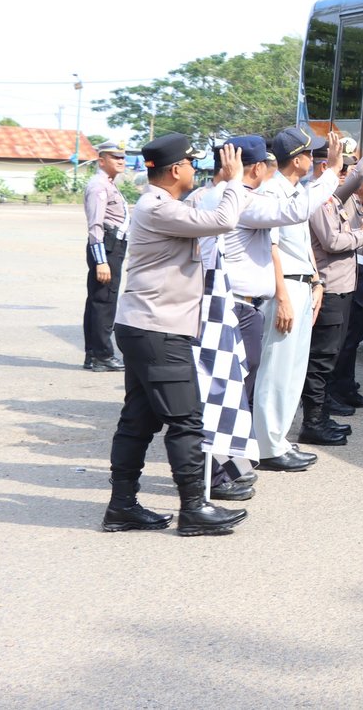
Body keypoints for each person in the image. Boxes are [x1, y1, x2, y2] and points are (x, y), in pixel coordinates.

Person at [103, 134, 247, 536]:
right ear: (176, 169)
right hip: (158, 330)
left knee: (138, 419)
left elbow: (204, 210)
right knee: (185, 420)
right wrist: (234, 181)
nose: (193, 169)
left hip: (148, 327)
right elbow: (223, 220)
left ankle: (122, 507)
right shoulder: (157, 207)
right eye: (190, 163)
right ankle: (193, 509)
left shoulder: (165, 205)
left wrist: (222, 183)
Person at [191, 132, 343, 498]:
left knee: (238, 389)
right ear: (257, 167)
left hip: (240, 303)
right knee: (230, 390)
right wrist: (333, 173)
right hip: (233, 303)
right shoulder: (242, 199)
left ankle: (235, 462)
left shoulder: (223, 195)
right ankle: (221, 471)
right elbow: (293, 213)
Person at [250, 126, 335, 471]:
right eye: (310, 154)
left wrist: (316, 282)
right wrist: (283, 297)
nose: (313, 159)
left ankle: (279, 439)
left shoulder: (295, 189)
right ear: (297, 159)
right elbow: (271, 250)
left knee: (294, 369)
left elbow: (301, 247)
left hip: (301, 284)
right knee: (276, 369)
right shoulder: (271, 192)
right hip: (283, 287)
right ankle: (268, 446)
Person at [305, 117, 363, 440]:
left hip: (344, 286)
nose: (344, 174)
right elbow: (331, 241)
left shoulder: (332, 196)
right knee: (322, 358)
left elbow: (358, 174)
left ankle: (321, 417)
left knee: (335, 351)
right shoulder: (315, 199)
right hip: (327, 289)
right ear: (322, 169)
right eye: (336, 168)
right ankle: (313, 421)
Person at [330, 173, 363, 410]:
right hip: (352, 272)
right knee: (345, 336)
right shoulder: (345, 199)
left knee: (356, 333)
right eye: (362, 179)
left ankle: (346, 386)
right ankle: (333, 391)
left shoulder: (361, 204)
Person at [81, 141, 128, 371]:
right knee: (104, 303)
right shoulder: (99, 186)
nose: (121, 161)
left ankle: (93, 354)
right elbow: (95, 226)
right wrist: (101, 260)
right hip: (107, 247)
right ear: (101, 160)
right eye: (115, 157)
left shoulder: (108, 184)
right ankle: (103, 355)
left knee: (97, 301)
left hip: (111, 246)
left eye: (123, 157)